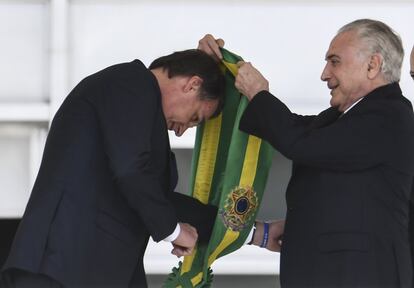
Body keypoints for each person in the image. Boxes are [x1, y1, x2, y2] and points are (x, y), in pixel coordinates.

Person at [199, 19, 414, 287]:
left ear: (372, 65)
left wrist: (258, 93)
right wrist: (218, 70)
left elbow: (301, 142)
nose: (324, 74)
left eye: (334, 61)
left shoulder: (390, 114)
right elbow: (297, 129)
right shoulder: (342, 118)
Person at [0, 49, 224, 287]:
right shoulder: (131, 82)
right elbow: (131, 171)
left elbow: (156, 197)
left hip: (88, 268)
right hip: (63, 265)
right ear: (192, 84)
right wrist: (172, 231)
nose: (181, 131)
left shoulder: (134, 103)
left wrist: (247, 230)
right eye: (194, 118)